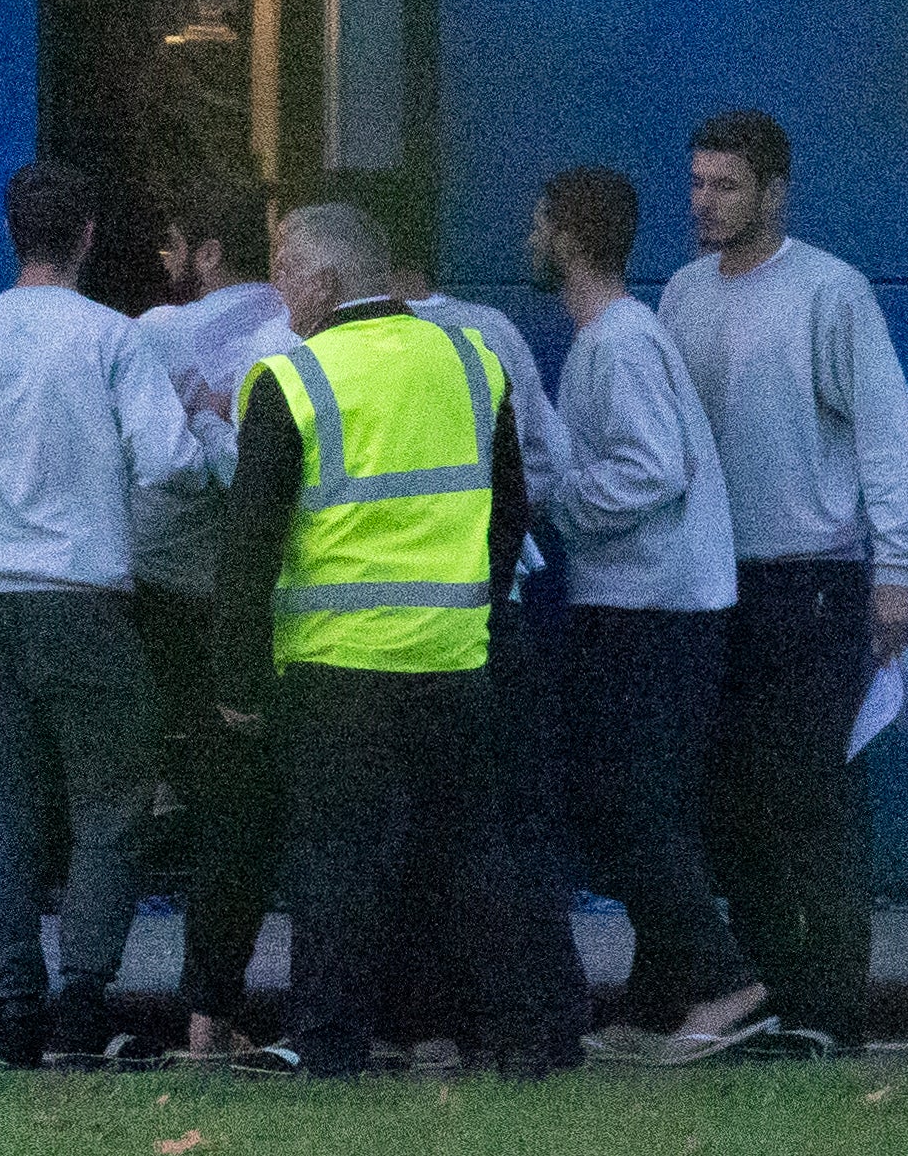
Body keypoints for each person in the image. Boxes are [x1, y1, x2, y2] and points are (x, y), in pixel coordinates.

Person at [223, 196, 566, 1084]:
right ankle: (527, 1035)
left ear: (327, 278)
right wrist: (477, 603)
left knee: (335, 859)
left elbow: (248, 546)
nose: (275, 283)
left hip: (339, 666)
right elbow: (511, 505)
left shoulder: (291, 379)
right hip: (455, 657)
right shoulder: (471, 359)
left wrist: (239, 679)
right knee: (475, 851)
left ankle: (328, 1039)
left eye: (284, 265)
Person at [0, 152, 214, 1071]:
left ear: (8, 233)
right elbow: (170, 466)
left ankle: (13, 1009)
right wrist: (203, 421)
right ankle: (81, 1006)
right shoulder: (115, 339)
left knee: (7, 812)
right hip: (87, 604)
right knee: (112, 808)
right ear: (88, 236)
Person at [665, 106, 908, 1059]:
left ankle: (831, 1011)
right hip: (712, 585)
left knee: (817, 801)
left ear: (776, 191)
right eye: (696, 182)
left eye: (725, 185)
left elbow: (887, 431)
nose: (704, 201)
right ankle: (771, 988)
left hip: (811, 580)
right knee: (732, 802)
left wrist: (893, 570)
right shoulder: (683, 294)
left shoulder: (831, 292)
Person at [529, 160, 765, 1062]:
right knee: (642, 804)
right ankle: (662, 991)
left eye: (539, 221)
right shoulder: (621, 334)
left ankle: (723, 979)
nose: (529, 238)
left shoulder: (618, 341)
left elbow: (654, 466)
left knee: (629, 807)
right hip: (652, 601)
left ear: (567, 236)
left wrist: (561, 501)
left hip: (652, 607)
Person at [364, 186, 590, 1065]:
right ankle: (536, 1020)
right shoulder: (489, 333)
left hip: (375, 626)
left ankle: (407, 1018)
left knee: (401, 829)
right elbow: (548, 465)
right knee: (506, 823)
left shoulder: (328, 346)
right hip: (490, 610)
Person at [117, 192, 296, 1070]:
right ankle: (211, 1012)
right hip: (265, 604)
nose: (163, 258)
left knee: (195, 803)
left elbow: (147, 458)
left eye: (172, 238)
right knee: (247, 816)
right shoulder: (302, 331)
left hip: (169, 599)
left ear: (207, 250)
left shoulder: (158, 331)